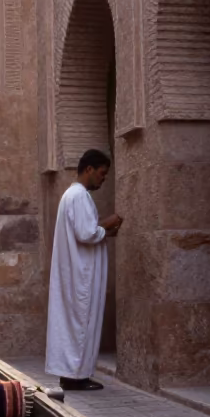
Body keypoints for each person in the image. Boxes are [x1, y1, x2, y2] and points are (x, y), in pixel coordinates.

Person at [44, 149, 123, 391]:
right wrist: (107, 225)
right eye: (102, 173)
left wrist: (101, 228)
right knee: (81, 323)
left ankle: (72, 375)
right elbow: (86, 233)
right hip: (82, 277)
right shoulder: (78, 196)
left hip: (78, 273)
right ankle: (76, 377)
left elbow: (85, 229)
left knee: (75, 324)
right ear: (88, 169)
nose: (103, 178)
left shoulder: (73, 195)